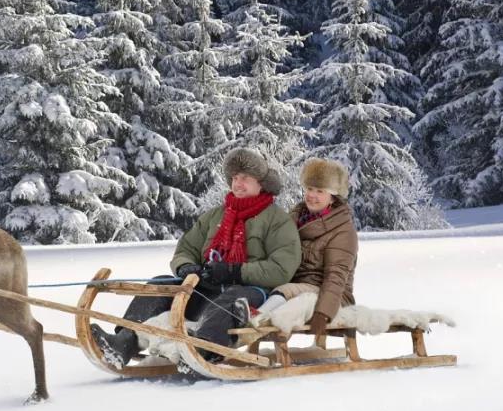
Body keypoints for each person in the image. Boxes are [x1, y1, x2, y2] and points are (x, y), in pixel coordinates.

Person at [90, 147, 300, 368]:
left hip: (251, 292)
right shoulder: (215, 216)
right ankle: (125, 341)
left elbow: (282, 268)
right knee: (161, 284)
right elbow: (186, 249)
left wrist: (234, 271)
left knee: (230, 298)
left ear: (261, 183)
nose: (238, 183)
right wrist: (186, 268)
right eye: (235, 178)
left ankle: (203, 350)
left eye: (245, 178)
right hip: (207, 286)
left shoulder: (278, 220)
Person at [254, 158, 358, 338]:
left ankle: (254, 321)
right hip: (295, 286)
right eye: (310, 189)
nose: (312, 195)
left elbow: (336, 277)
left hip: (332, 296)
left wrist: (323, 313)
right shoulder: (294, 218)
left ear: (332, 197)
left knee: (286, 291)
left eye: (320, 191)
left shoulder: (343, 231)